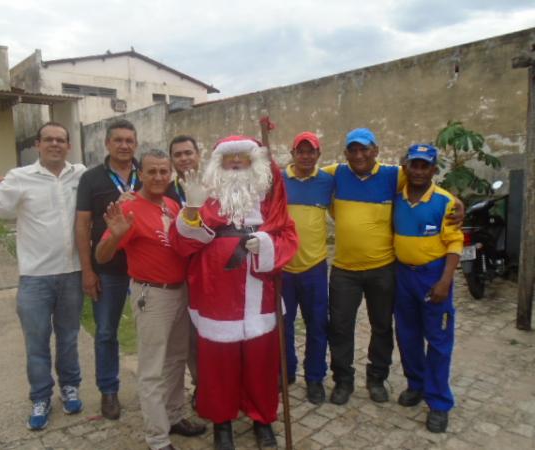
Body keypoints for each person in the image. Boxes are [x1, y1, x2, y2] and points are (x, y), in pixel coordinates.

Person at [171, 136, 298, 450]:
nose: (237, 163)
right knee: (218, 365)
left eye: (243, 157)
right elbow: (183, 242)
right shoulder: (206, 194)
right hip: (217, 293)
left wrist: (266, 244)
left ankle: (262, 419)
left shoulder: (269, 194)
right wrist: (191, 211)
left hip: (259, 294)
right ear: (219, 163)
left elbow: (287, 235)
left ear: (254, 162)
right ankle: (222, 424)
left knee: (261, 362)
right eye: (230, 158)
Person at [323, 128, 463, 406]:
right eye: (353, 149)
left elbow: (429, 186)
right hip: (344, 270)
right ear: (346, 154)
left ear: (375, 150)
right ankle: (343, 380)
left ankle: (376, 377)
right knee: (339, 327)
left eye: (365, 149)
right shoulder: (334, 174)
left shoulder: (393, 175)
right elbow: (302, 175)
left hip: (384, 269)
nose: (359, 155)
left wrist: (458, 202)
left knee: (382, 326)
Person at [0, 122, 86, 430]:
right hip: (35, 278)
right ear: (38, 144)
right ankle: (41, 396)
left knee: (69, 338)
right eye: (48, 139)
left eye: (61, 140)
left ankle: (70, 387)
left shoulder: (80, 174)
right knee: (36, 342)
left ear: (69, 146)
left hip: (72, 273)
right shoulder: (20, 178)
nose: (55, 144)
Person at [96, 148, 206, 450]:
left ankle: (173, 417)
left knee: (175, 361)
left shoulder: (172, 204)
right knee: (152, 369)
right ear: (139, 174)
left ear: (170, 174)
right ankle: (157, 439)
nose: (158, 177)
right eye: (151, 171)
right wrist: (116, 235)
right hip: (152, 295)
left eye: (163, 171)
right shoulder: (129, 208)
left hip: (179, 292)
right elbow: (101, 256)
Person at [393, 144, 463, 433]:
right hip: (402, 276)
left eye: (425, 166)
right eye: (414, 165)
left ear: (434, 170)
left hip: (433, 275)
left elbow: (455, 242)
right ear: (406, 167)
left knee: (437, 340)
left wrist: (445, 280)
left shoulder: (446, 202)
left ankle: (438, 402)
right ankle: (416, 385)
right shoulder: (395, 198)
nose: (419, 171)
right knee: (408, 335)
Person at [75, 119, 140, 420]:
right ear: (107, 144)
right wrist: (88, 270)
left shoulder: (149, 173)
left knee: (152, 332)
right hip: (108, 268)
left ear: (135, 144)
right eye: (118, 140)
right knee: (105, 332)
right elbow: (83, 224)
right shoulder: (92, 178)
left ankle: (157, 388)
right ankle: (109, 391)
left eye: (129, 140)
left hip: (145, 269)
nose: (124, 145)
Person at [281, 132, 334, 405]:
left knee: (317, 326)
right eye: (300, 151)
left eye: (310, 151)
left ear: (318, 155)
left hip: (314, 267)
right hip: (284, 268)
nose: (305, 156)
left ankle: (314, 378)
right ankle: (286, 371)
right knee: (283, 325)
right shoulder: (278, 180)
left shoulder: (327, 180)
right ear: (292, 153)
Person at [166, 135, 202, 405]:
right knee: (189, 337)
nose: (184, 158)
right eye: (178, 155)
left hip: (212, 271)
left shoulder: (215, 186)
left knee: (214, 333)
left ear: (198, 155)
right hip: (181, 273)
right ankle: (202, 385)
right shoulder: (165, 192)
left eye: (188, 153)